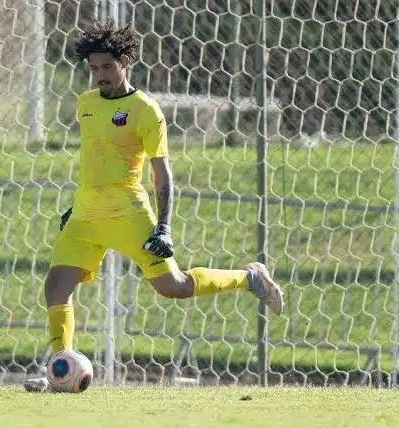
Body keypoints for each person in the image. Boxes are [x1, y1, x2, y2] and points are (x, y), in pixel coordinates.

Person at [24, 19, 283, 392]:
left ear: (125, 61)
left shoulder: (146, 111)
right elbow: (95, 157)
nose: (100, 76)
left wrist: (164, 227)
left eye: (107, 67)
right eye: (94, 68)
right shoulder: (86, 104)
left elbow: (162, 172)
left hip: (128, 211)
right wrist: (77, 203)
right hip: (84, 214)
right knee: (55, 288)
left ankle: (250, 278)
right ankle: (60, 369)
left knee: (173, 287)